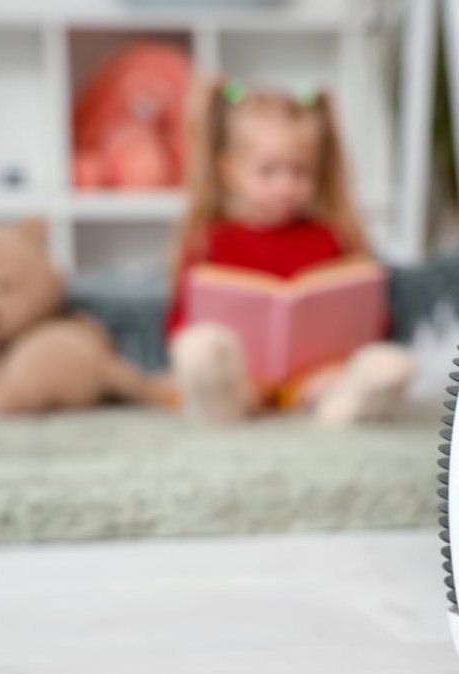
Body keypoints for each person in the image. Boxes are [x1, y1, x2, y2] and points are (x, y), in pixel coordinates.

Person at [167, 77, 413, 423]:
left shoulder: (331, 238)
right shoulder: (211, 240)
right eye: (268, 172)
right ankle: (220, 402)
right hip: (243, 378)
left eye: (300, 171)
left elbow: (370, 317)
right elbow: (181, 320)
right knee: (201, 347)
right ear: (230, 170)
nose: (286, 185)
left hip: (315, 378)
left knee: (376, 365)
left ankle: (351, 403)